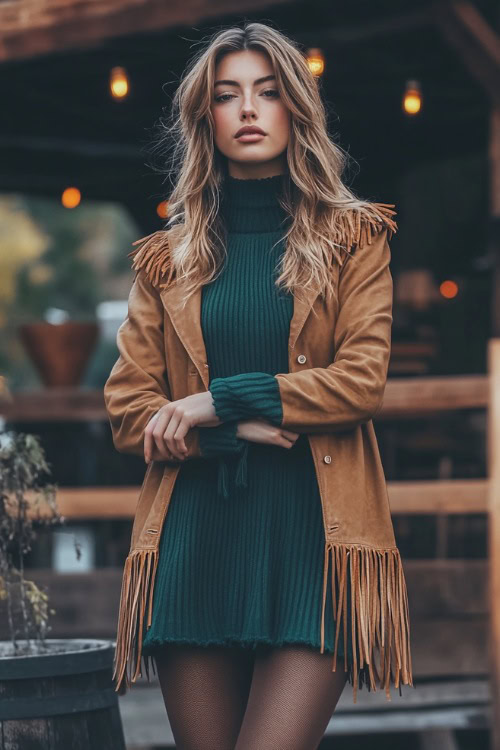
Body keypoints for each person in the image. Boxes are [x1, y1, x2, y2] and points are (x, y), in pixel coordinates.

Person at [104, 21, 412, 750]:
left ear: (295, 109)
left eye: (267, 93)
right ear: (204, 118)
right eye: (228, 95)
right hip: (193, 546)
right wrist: (227, 432)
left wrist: (220, 399)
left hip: (316, 546)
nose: (248, 110)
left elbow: (361, 381)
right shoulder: (164, 260)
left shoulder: (354, 240)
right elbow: (128, 407)